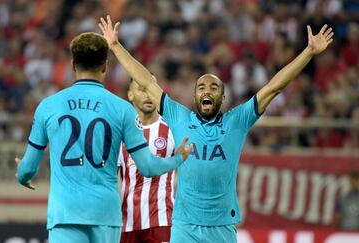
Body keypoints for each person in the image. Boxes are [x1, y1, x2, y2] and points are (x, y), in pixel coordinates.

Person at [99, 15, 334, 242]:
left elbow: (274, 87)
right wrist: (116, 46)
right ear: (195, 96)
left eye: (214, 87)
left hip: (222, 227)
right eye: (201, 87)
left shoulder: (237, 121)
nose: (207, 90)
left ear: (222, 97)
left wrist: (309, 52)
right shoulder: (178, 116)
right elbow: (147, 82)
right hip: (184, 227)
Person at [14, 32, 192, 243]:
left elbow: (28, 168)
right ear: (105, 66)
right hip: (106, 215)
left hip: (65, 213)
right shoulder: (122, 109)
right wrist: (178, 158)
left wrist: (23, 176)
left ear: (72, 65)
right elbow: (148, 167)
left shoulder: (48, 106)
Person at [118, 79, 176, 243]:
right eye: (142, 89)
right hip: (127, 223)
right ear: (130, 95)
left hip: (163, 222)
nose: (148, 95)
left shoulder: (172, 130)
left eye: (151, 89)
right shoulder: (120, 134)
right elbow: (114, 178)